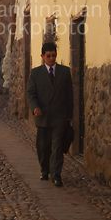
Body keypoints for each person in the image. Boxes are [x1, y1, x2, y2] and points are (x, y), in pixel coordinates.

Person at [27, 42, 73, 187]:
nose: (51, 58)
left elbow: (69, 95)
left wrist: (69, 116)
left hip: (59, 116)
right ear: (42, 56)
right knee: (43, 146)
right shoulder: (35, 73)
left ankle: (56, 174)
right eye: (48, 56)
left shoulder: (65, 72)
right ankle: (44, 169)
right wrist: (35, 107)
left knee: (57, 146)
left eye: (53, 55)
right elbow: (31, 94)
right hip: (43, 116)